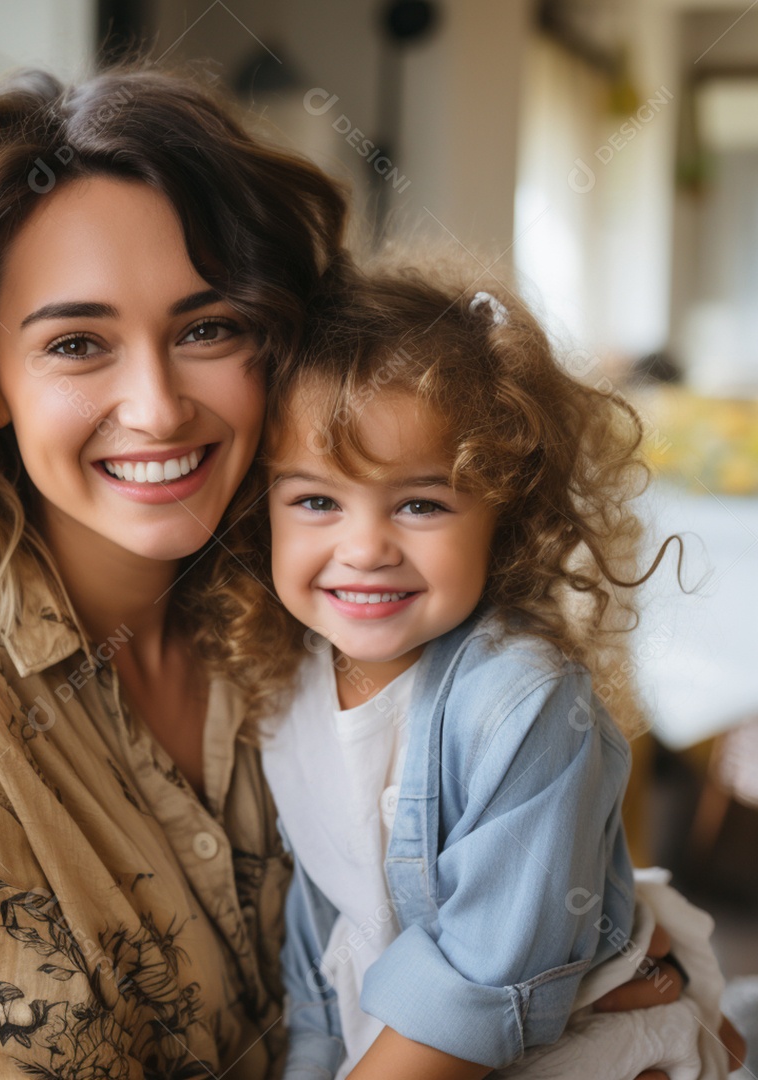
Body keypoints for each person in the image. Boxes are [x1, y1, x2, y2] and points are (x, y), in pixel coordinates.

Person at [0, 65, 701, 1080]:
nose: (158, 406)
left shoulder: (306, 607)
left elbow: (472, 871)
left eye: (207, 329)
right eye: (79, 343)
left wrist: (611, 958)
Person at [209, 258, 740, 1079]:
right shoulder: (285, 693)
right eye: (316, 500)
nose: (365, 548)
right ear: (263, 507)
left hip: (573, 1048)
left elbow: (482, 984)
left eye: (421, 503)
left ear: (506, 517)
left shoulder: (522, 702)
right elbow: (317, 963)